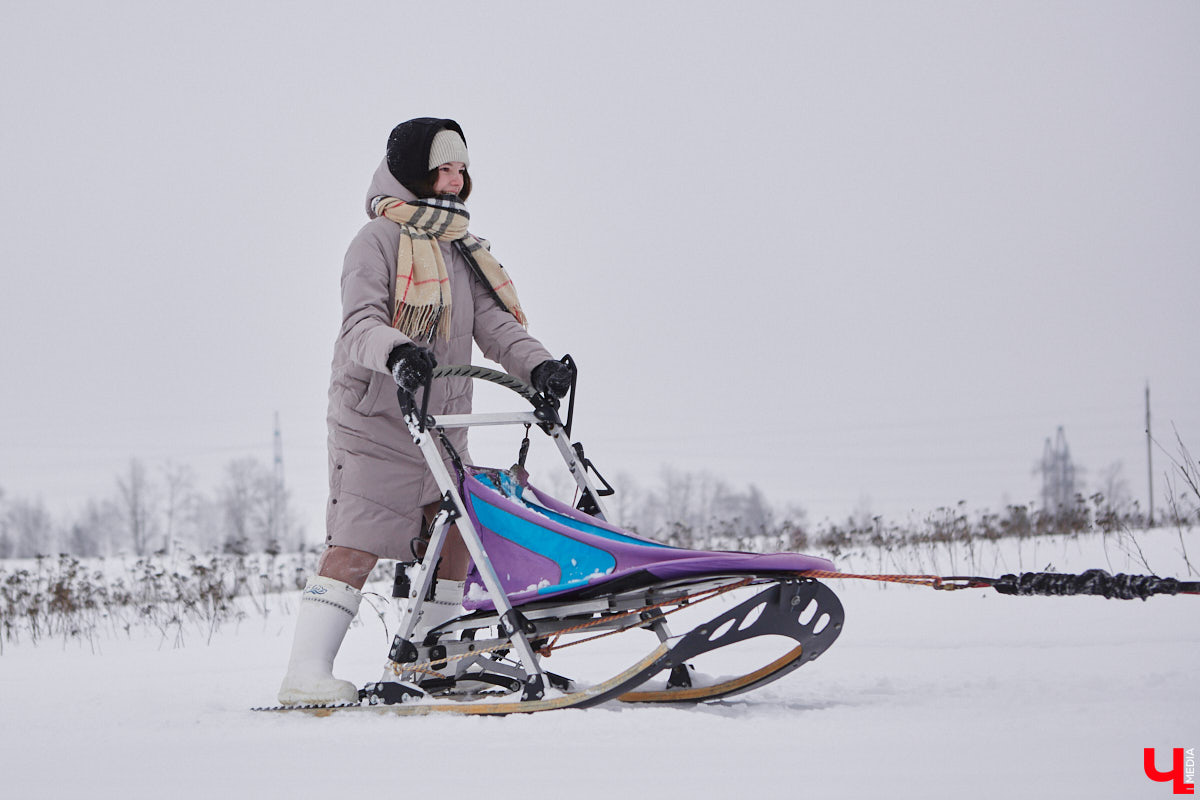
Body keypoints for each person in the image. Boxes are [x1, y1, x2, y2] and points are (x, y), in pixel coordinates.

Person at [278, 118, 574, 705]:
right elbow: (360, 324)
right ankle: (305, 674)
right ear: (414, 172)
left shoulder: (459, 248)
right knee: (357, 540)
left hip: (438, 426)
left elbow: (493, 325)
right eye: (444, 168)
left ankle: (433, 658)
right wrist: (399, 351)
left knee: (457, 534)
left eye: (462, 169)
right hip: (376, 420)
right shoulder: (375, 242)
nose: (456, 180)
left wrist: (539, 365)